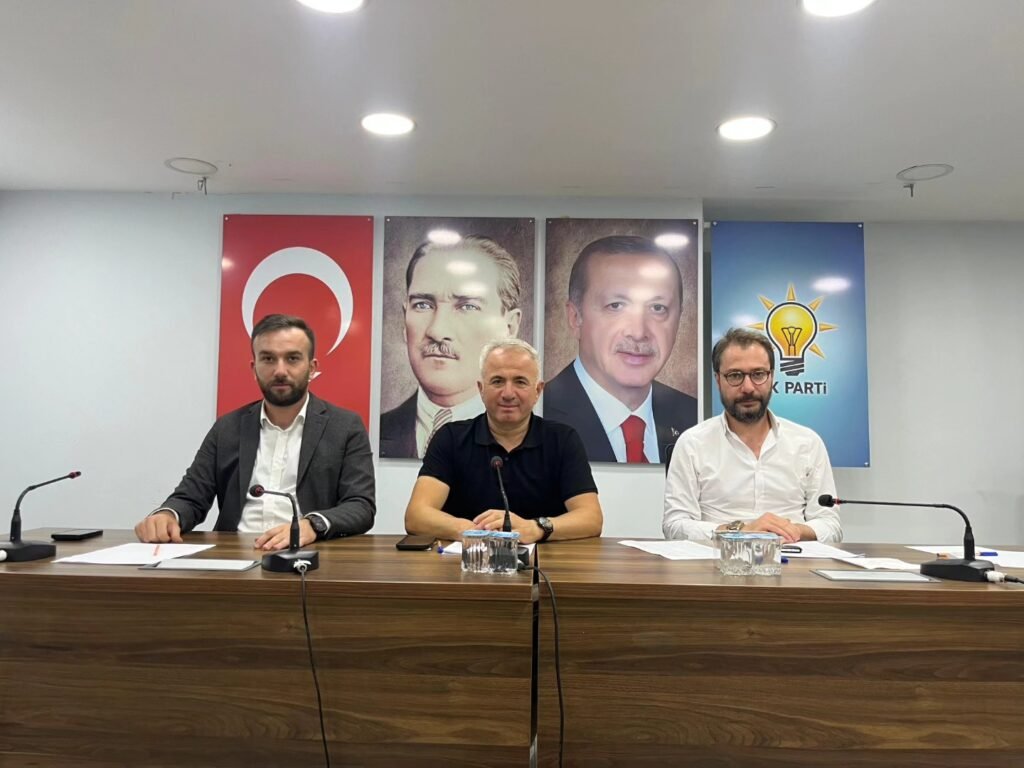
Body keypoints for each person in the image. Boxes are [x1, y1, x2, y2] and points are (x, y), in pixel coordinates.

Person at [134, 314, 376, 551]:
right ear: (254, 368)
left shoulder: (345, 427)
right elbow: (191, 496)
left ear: (312, 368)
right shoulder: (228, 427)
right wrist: (168, 515)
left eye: (292, 358)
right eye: (268, 359)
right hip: (233, 555)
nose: (280, 370)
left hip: (308, 556)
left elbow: (361, 505)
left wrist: (312, 525)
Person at [405, 339, 602, 544]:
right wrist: (473, 531)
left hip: (543, 561)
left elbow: (591, 519)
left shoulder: (563, 440)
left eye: (520, 382)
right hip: (469, 559)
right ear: (481, 389)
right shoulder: (450, 438)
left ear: (537, 391)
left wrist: (536, 528)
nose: (508, 394)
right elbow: (416, 516)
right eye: (497, 381)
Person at [663, 328, 841, 543]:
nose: (748, 388)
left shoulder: (808, 442)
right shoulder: (692, 443)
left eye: (758, 374)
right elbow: (674, 525)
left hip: (792, 555)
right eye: (735, 376)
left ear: (771, 377)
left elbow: (831, 526)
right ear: (718, 380)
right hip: (718, 557)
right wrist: (741, 530)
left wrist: (789, 531)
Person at [544, 235, 697, 464]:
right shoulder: (535, 416)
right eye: (615, 306)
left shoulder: (696, 418)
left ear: (679, 319)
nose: (638, 332)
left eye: (657, 308)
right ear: (575, 318)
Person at [380, 235, 523, 459]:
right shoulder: (371, 434)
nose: (437, 331)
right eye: (423, 305)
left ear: (509, 327)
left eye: (467, 306)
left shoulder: (538, 440)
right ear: (404, 320)